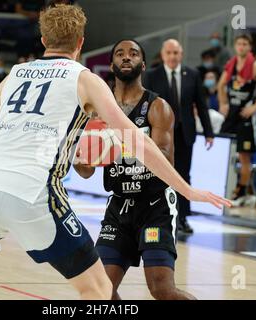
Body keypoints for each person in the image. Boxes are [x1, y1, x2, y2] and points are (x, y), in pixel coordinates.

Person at [0, 5, 230, 300]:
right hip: (32, 191)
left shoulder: (11, 77)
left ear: (43, 40)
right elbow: (136, 140)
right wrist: (187, 189)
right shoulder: (85, 79)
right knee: (98, 288)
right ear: (80, 42)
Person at [74, 39, 195, 300]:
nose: (126, 58)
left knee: (161, 289)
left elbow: (165, 161)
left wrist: (117, 140)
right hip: (119, 207)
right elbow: (86, 171)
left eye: (133, 54)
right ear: (111, 64)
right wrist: (80, 158)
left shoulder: (157, 107)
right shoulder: (95, 111)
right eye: (120, 53)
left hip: (155, 206)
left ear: (142, 64)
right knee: (101, 290)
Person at [144, 39, 214, 234]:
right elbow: (145, 104)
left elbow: (201, 105)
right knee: (158, 174)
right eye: (169, 53)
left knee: (184, 176)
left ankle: (182, 218)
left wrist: (209, 132)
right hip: (159, 136)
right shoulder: (151, 75)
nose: (173, 56)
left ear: (181, 54)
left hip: (184, 134)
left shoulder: (192, 75)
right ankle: (157, 216)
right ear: (163, 54)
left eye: (176, 53)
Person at [218, 34, 256, 206]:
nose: (241, 47)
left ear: (250, 47)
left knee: (244, 158)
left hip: (247, 117)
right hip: (231, 116)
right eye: (239, 43)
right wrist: (223, 103)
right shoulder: (231, 64)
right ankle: (222, 187)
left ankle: (241, 192)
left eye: (245, 44)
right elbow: (221, 85)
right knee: (223, 152)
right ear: (235, 46)